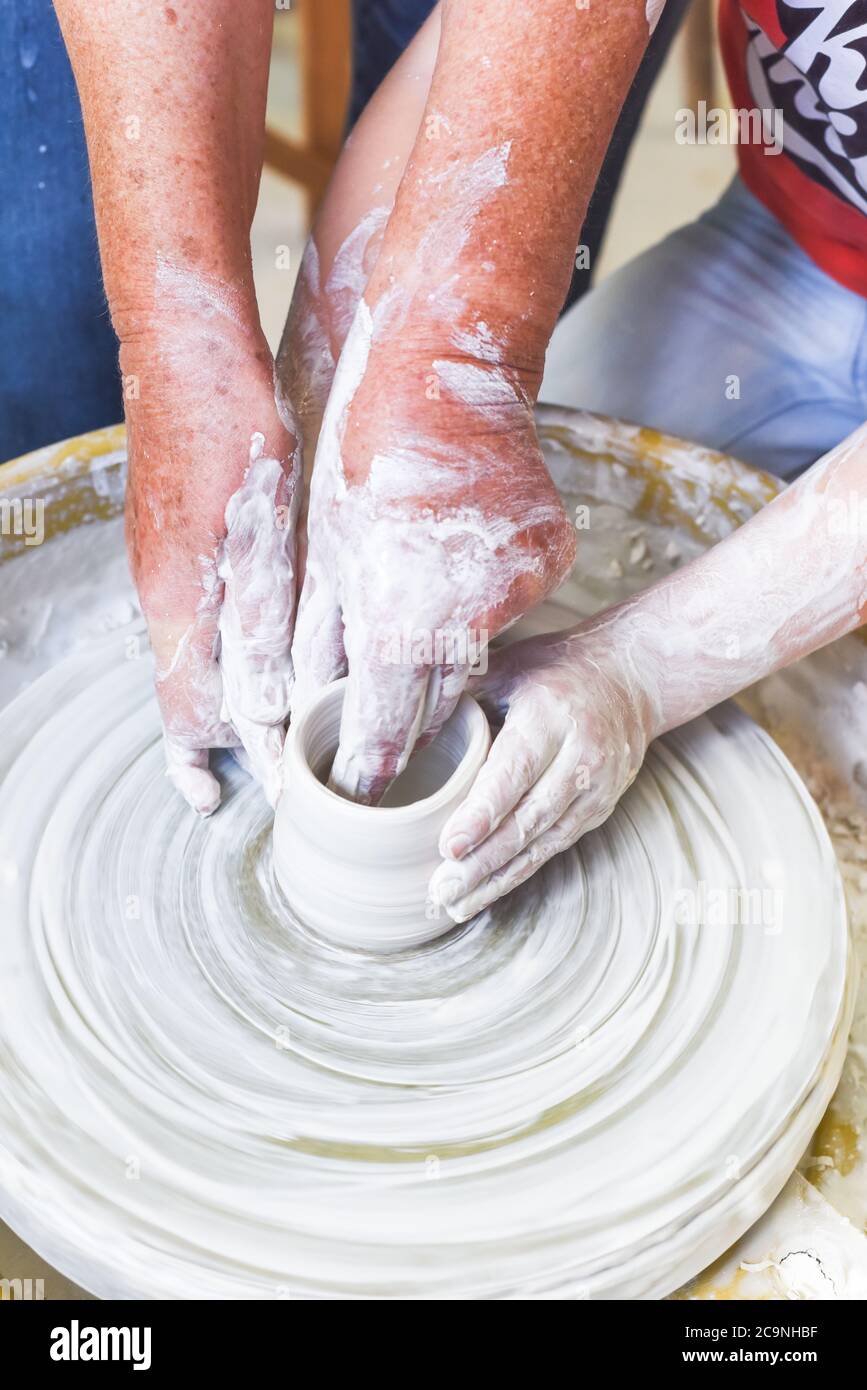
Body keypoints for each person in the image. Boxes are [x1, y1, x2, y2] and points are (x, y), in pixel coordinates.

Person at [48, 1, 867, 920]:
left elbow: (653, 660)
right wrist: (336, 393)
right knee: (505, 489)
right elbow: (474, 48)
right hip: (794, 249)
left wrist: (642, 671)